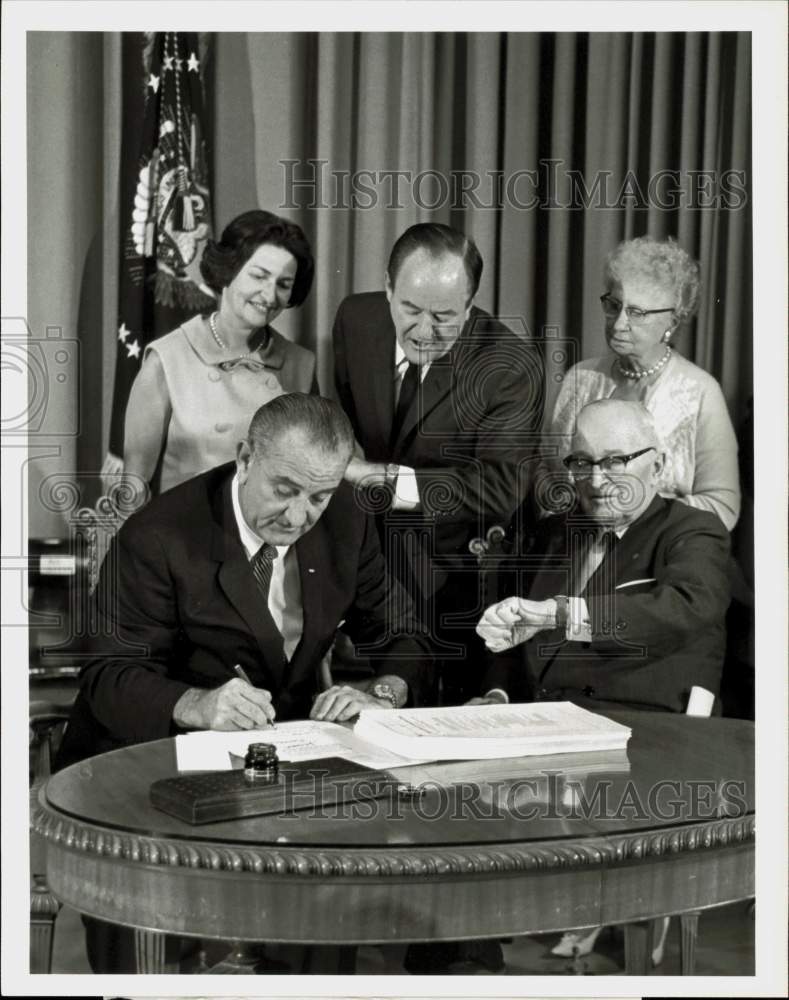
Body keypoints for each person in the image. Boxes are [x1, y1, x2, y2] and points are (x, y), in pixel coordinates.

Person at [58, 393, 432, 769]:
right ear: (246, 460)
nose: (297, 517)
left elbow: (403, 632)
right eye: (283, 491)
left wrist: (385, 694)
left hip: (276, 762)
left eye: (319, 497)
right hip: (141, 764)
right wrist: (196, 704)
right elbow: (108, 674)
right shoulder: (158, 537)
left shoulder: (348, 520)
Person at [333, 222, 542, 705]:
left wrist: (376, 478)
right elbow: (345, 427)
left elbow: (497, 489)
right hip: (364, 566)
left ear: (470, 307)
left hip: (451, 578)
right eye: (409, 309)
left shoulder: (511, 364)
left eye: (445, 316)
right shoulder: (354, 319)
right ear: (387, 289)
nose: (425, 331)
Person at [476, 398, 731, 714]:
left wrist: (559, 614)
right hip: (538, 726)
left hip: (646, 732)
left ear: (657, 466)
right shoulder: (554, 532)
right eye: (582, 462)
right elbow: (512, 637)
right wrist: (497, 696)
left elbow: (688, 606)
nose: (596, 481)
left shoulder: (693, 530)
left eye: (614, 461)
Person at [539, 236, 740, 530]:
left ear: (673, 321)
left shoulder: (700, 393)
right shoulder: (579, 380)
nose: (619, 323)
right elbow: (545, 470)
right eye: (614, 305)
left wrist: (631, 518)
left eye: (637, 313)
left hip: (658, 555)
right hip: (574, 546)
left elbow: (721, 507)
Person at [122, 209, 318, 508]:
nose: (269, 294)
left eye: (283, 284)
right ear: (228, 269)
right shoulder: (168, 359)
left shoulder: (301, 366)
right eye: (259, 275)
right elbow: (133, 487)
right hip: (185, 542)